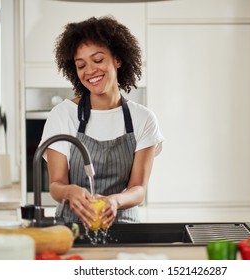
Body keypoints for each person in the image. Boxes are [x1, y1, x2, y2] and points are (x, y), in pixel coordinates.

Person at [39, 16, 164, 229]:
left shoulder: (143, 119)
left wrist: (115, 201)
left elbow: (138, 189)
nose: (89, 71)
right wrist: (70, 191)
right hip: (71, 229)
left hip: (125, 226)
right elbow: (56, 185)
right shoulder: (62, 115)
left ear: (118, 58)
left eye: (98, 60)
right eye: (81, 65)